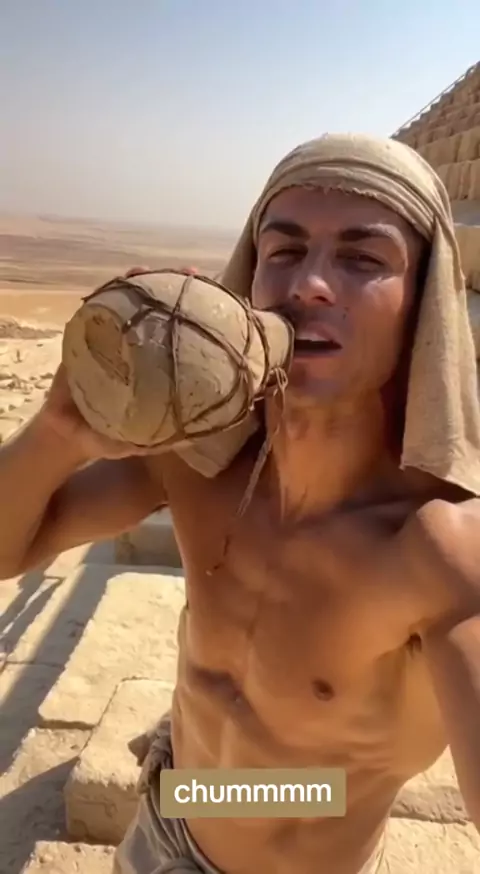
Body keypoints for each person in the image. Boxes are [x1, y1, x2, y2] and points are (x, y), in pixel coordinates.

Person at [2, 133, 480, 874]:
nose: (309, 283)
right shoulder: (199, 462)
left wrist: (310, 790)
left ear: (420, 305)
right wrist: (60, 430)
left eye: (363, 259)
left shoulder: (434, 551)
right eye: (283, 250)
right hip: (164, 825)